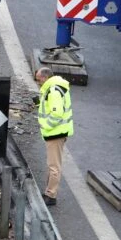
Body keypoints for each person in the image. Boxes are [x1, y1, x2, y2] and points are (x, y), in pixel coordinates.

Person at [34, 67, 73, 207]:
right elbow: (51, 107)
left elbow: (56, 114)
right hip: (57, 131)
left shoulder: (54, 91)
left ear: (45, 77)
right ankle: (49, 192)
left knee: (53, 166)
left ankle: (50, 195)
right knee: (52, 164)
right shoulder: (54, 87)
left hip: (55, 132)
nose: (38, 82)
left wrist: (45, 125)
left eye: (38, 80)